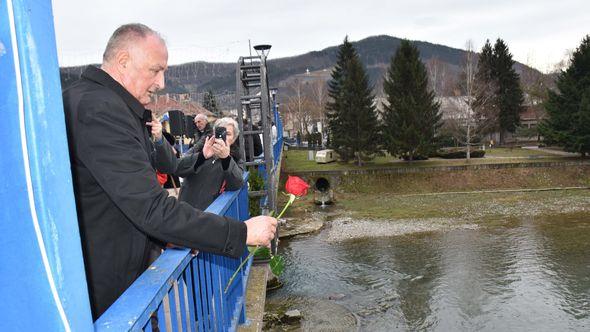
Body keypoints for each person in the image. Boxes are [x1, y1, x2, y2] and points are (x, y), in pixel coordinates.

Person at [61, 23, 276, 319]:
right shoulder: (100, 110)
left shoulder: (95, 102)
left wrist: (164, 237)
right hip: (107, 296)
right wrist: (241, 233)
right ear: (123, 61)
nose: (161, 82)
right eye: (155, 70)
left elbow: (116, 198)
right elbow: (150, 206)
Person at [176, 117, 243, 210]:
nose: (223, 137)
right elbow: (178, 168)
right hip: (185, 209)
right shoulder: (202, 147)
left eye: (228, 134)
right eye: (220, 133)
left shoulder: (236, 158)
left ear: (234, 138)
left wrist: (226, 159)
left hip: (209, 213)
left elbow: (237, 183)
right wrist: (201, 157)